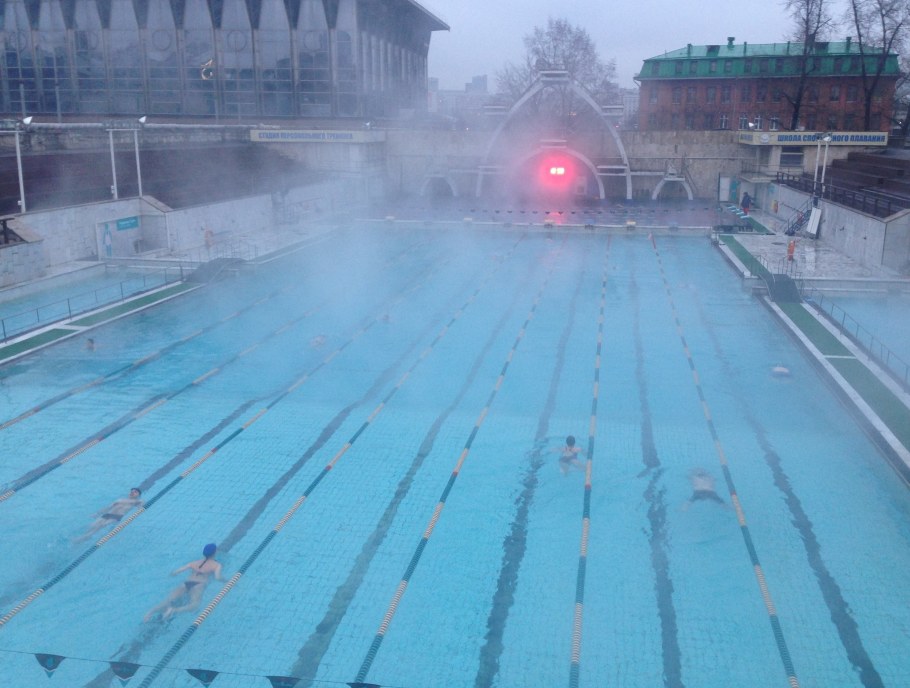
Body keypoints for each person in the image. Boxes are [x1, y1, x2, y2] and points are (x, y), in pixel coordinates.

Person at [144, 543, 224, 622]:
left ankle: (150, 612)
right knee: (195, 605)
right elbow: (218, 578)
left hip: (186, 583)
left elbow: (175, 572)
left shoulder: (194, 562)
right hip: (199, 585)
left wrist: (170, 574)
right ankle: (174, 610)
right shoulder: (216, 565)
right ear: (215, 553)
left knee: (169, 600)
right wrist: (226, 581)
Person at [75, 488, 143, 542]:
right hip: (107, 514)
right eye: (132, 491)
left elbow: (140, 508)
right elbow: (108, 508)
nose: (132, 492)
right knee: (92, 526)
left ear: (138, 495)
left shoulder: (137, 501)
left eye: (135, 492)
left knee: (99, 527)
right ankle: (84, 537)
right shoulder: (120, 500)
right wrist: (97, 513)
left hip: (116, 517)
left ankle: (83, 538)